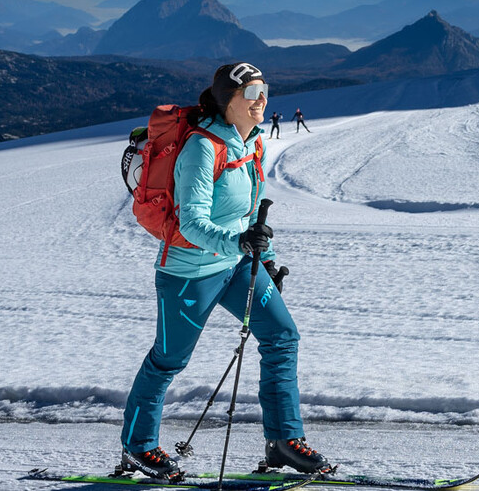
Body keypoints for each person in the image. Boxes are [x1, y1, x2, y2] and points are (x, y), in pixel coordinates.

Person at [118, 63, 333, 481]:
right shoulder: (202, 147)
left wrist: (264, 258)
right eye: (251, 95)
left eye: (264, 91)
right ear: (227, 101)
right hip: (189, 273)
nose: (261, 102)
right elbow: (190, 223)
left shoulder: (252, 144)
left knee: (282, 336)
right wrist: (238, 245)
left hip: (236, 265)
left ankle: (284, 442)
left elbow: (254, 214)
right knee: (168, 360)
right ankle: (138, 445)